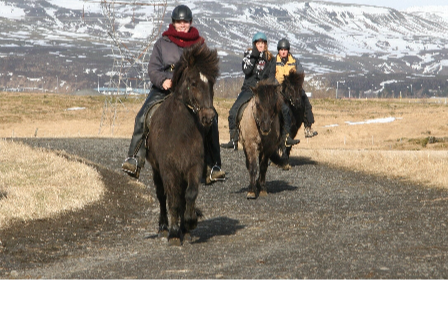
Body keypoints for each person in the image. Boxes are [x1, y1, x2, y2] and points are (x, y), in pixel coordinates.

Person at [122, 5, 225, 184]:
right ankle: (134, 159)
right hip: (164, 89)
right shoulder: (162, 43)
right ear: (174, 23)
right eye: (179, 22)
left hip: (191, 92)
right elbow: (153, 69)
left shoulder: (199, 44)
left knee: (212, 118)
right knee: (142, 116)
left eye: (185, 22)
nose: (182, 25)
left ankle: (212, 165)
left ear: (190, 22)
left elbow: (207, 69)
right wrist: (163, 80)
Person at [221, 33, 300, 150]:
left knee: (284, 109)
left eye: (263, 43)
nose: (261, 45)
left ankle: (286, 137)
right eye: (258, 43)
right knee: (234, 110)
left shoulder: (270, 58)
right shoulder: (248, 55)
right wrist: (255, 56)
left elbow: (271, 76)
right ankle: (233, 139)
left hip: (265, 92)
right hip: (249, 88)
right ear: (254, 44)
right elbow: (246, 71)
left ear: (265, 44)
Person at [276, 38, 318, 139]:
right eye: (281, 50)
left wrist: (294, 83)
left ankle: (308, 127)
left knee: (305, 101)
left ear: (288, 50)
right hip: (279, 87)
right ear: (278, 51)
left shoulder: (294, 61)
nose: (283, 52)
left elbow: (300, 73)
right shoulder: (274, 62)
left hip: (293, 87)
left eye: (285, 50)